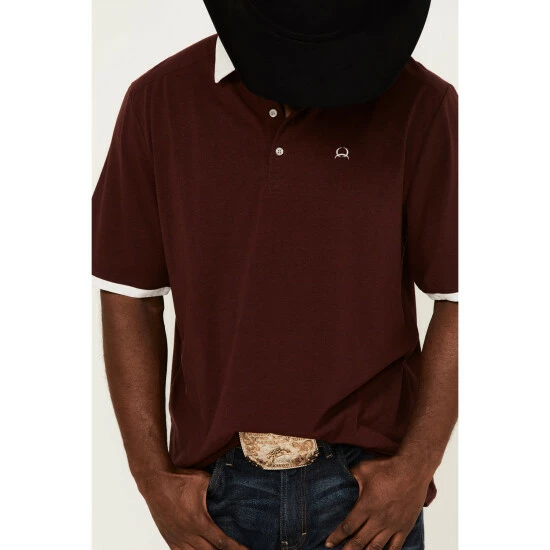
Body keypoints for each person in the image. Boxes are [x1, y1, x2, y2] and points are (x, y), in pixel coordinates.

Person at [92, 1, 458, 549]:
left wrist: (415, 468)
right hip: (217, 496)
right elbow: (130, 292)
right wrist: (152, 480)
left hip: (365, 499)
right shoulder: (160, 101)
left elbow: (465, 292)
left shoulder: (422, 104)